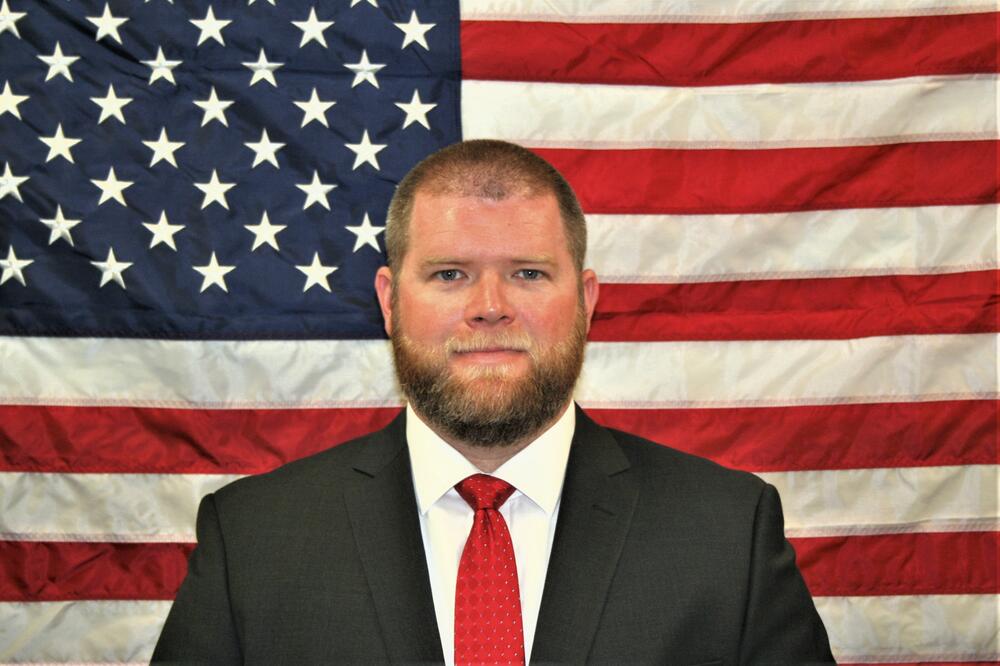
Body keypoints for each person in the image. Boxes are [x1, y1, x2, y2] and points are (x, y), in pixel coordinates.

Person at [153, 140, 835, 664]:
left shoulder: (726, 535)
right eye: (450, 274)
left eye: (528, 274)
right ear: (390, 301)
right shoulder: (253, 540)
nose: (489, 308)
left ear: (587, 302)